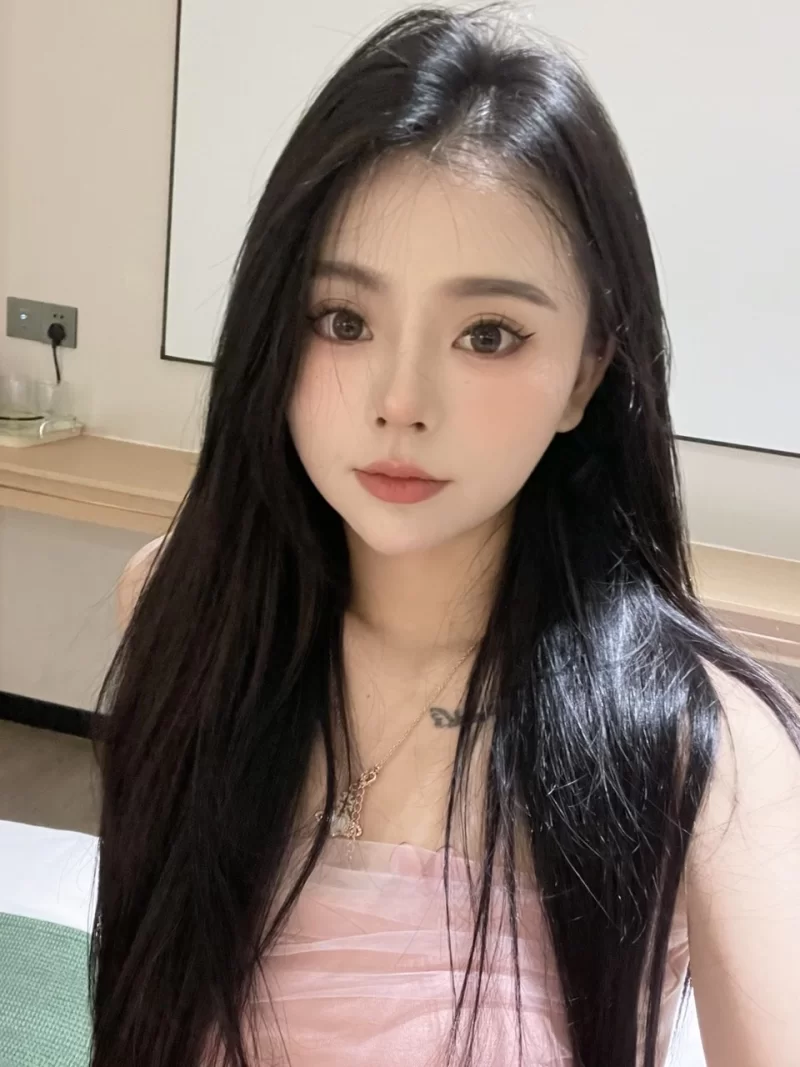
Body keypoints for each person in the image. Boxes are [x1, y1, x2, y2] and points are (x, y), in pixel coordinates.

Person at [89, 6, 800, 1067]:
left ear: (587, 373)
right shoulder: (184, 611)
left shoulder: (706, 742)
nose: (401, 400)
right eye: (342, 319)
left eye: (488, 334)